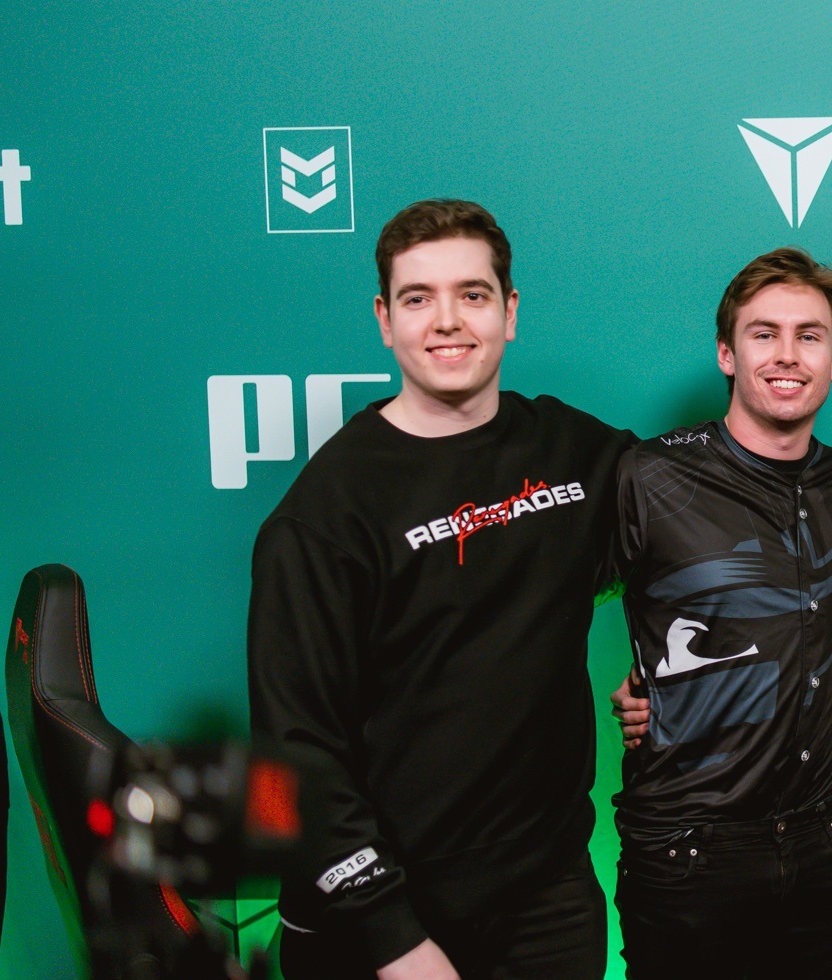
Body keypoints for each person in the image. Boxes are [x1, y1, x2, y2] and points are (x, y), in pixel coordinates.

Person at [250, 199, 630, 980]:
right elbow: (297, 752)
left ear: (509, 312)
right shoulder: (326, 514)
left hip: (549, 898)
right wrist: (392, 939)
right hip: (385, 919)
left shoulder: (570, 448)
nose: (447, 320)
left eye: (472, 294)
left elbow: (710, 497)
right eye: (419, 298)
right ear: (385, 320)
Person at [604, 247, 832, 978]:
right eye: (764, 334)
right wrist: (648, 679)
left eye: (809, 336)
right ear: (727, 354)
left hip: (826, 849)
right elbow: (537, 602)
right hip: (689, 854)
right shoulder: (652, 476)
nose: (787, 355)